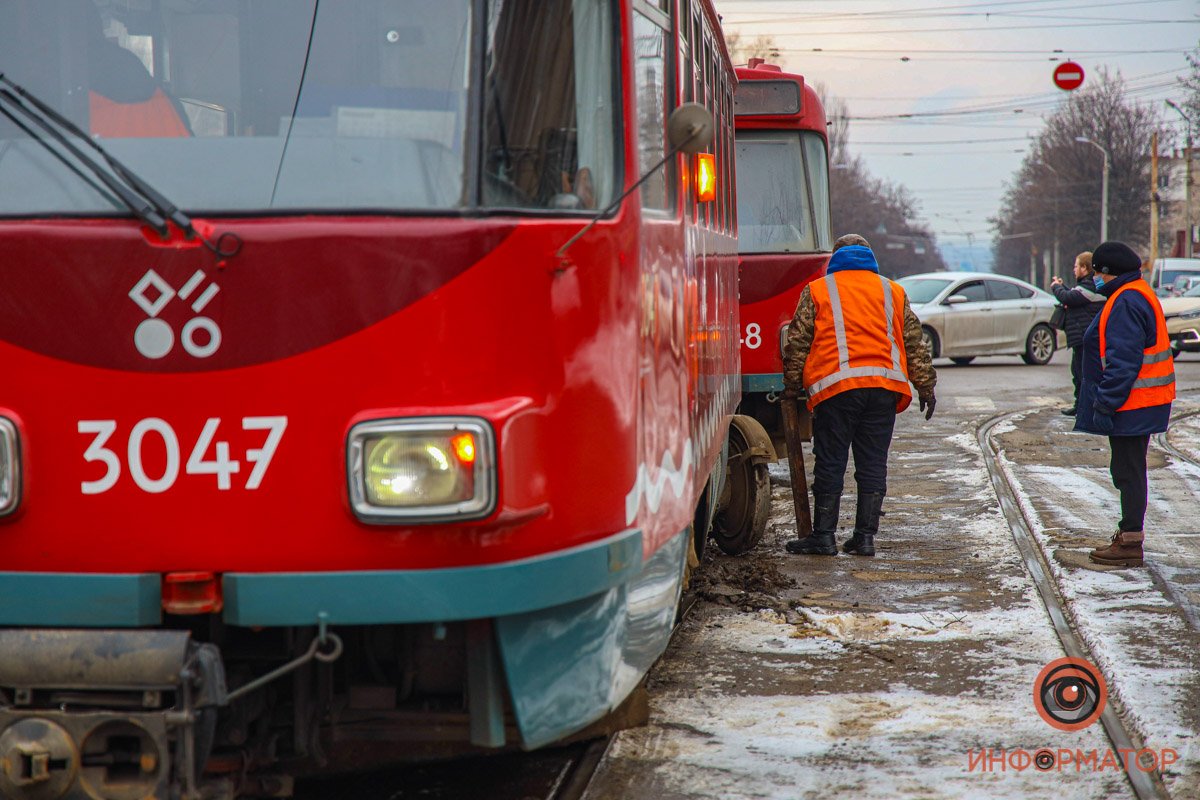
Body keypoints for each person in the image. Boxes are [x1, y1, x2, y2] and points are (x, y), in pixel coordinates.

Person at [781, 234, 938, 557]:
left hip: (836, 389)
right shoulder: (892, 290)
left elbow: (798, 342)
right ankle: (864, 538)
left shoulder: (818, 290)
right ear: (869, 257)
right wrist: (926, 386)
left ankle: (823, 537)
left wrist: (791, 387)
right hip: (883, 388)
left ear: (835, 257)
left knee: (831, 461)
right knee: (872, 464)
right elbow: (913, 341)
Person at [1075, 241, 1175, 568]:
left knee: (1128, 471)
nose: (1096, 279)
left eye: (1098, 273)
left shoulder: (1126, 300)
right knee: (1129, 469)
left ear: (1108, 272)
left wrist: (1104, 404)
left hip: (1134, 402)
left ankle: (1130, 542)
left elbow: (1123, 362)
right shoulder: (1136, 292)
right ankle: (1129, 537)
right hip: (1141, 400)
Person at [1050, 251, 1105, 416]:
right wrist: (1062, 287)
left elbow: (1068, 297)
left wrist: (1056, 287)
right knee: (1078, 373)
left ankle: (1086, 408)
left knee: (1084, 374)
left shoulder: (1091, 286)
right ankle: (1080, 406)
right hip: (1082, 337)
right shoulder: (1088, 287)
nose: (1074, 269)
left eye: (1076, 266)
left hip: (1085, 338)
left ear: (1084, 267)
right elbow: (1075, 296)